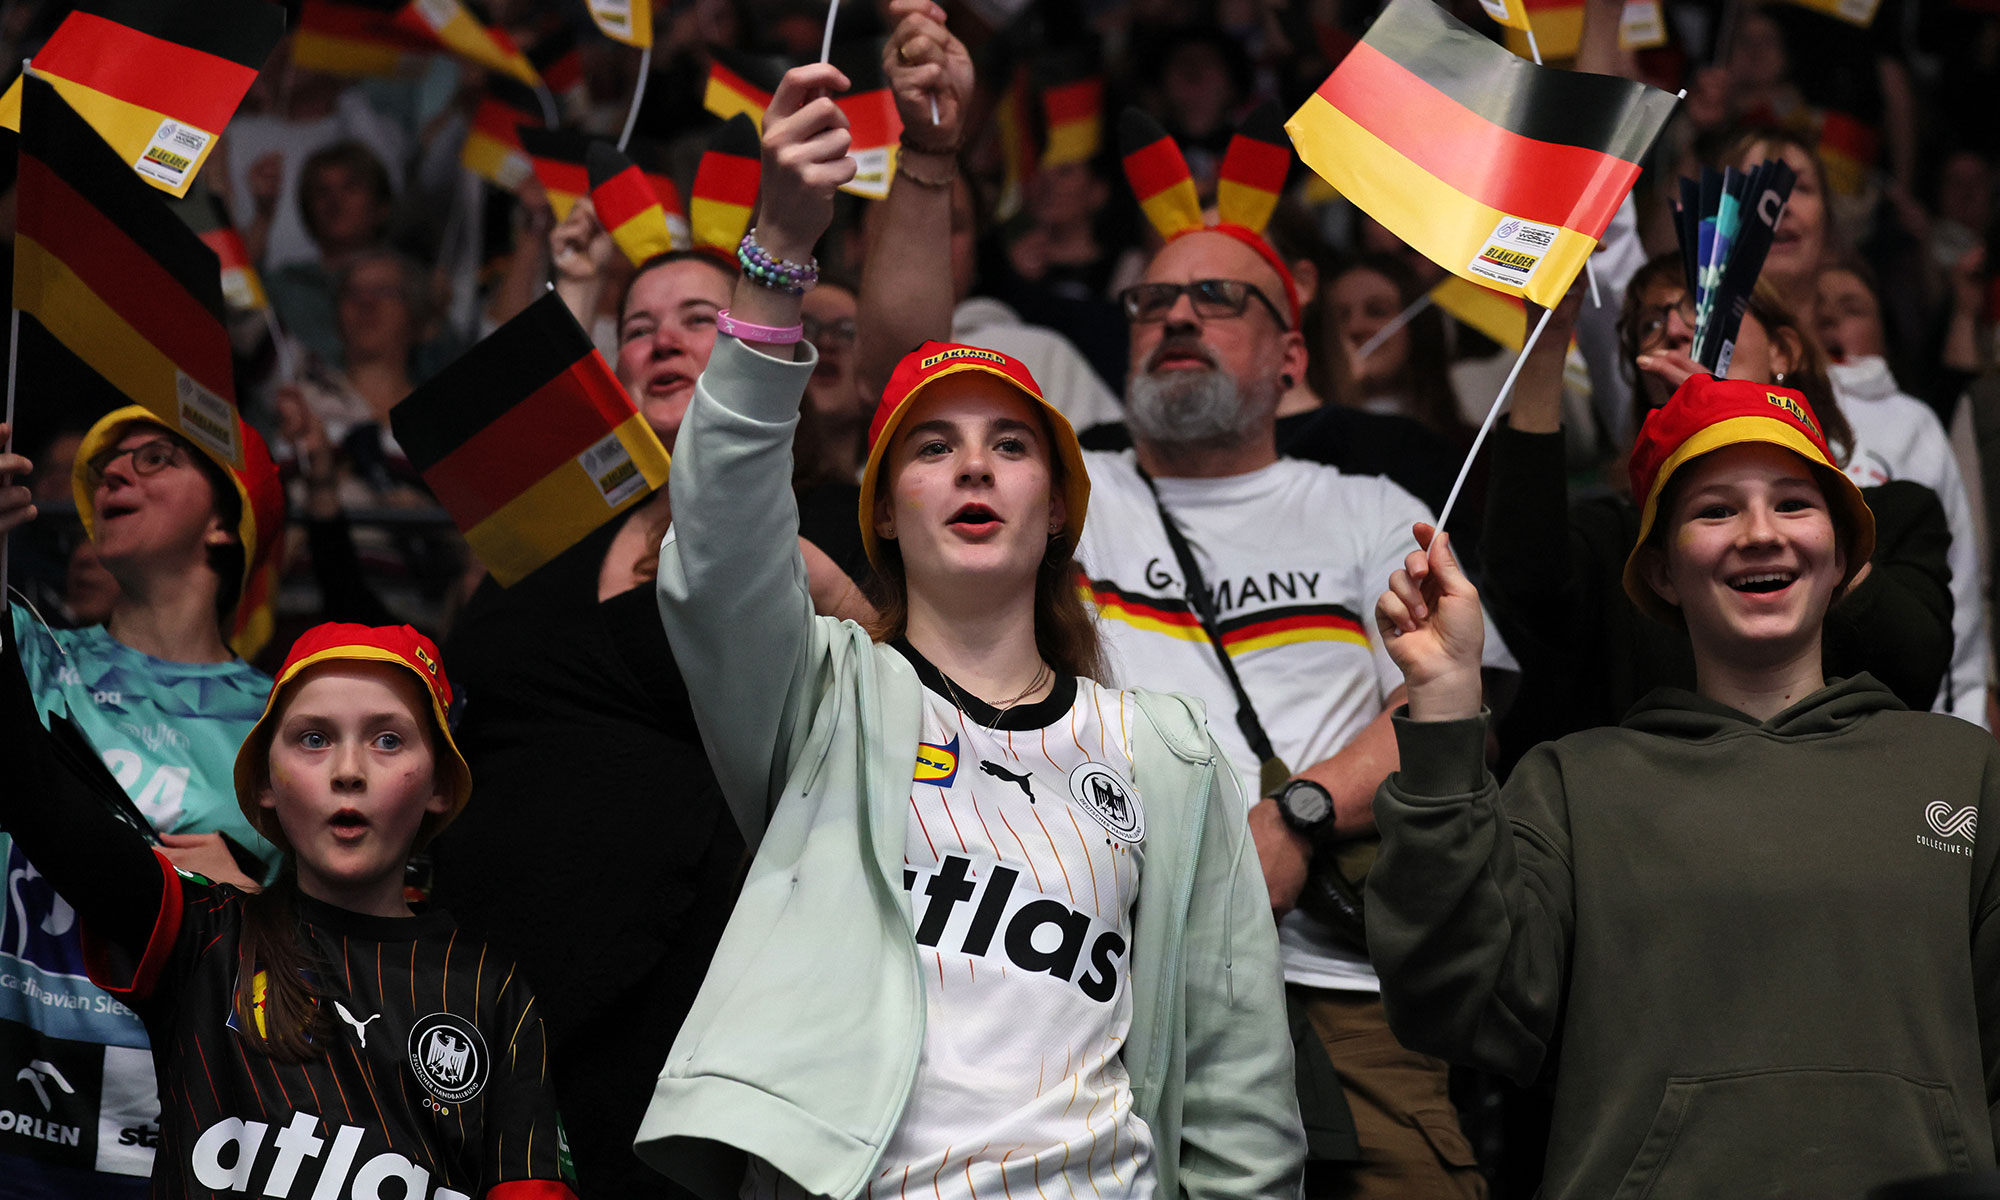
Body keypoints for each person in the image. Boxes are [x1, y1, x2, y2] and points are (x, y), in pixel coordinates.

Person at [852, 8, 1504, 1190]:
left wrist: (1296, 819)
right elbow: (907, 379)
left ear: (1292, 356)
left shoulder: (1365, 507)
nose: (1179, 320)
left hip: (1335, 982)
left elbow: (1446, 699)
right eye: (1153, 305)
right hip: (1093, 967)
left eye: (1218, 300)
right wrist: (931, 164)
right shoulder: (1055, 492)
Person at [637, 58, 1303, 1200]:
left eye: (1009, 445)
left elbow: (1238, 1081)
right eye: (931, 449)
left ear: (1056, 511)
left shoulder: (1167, 751)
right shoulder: (822, 699)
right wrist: (776, 258)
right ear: (884, 519)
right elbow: (713, 542)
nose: (973, 467)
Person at [1369, 373, 2000, 1198]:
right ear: (1661, 571)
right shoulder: (1572, 782)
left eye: (1794, 503)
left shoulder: (1964, 771)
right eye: (1715, 510)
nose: (1759, 533)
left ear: (1844, 557)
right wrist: (1448, 701)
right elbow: (1458, 1007)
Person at [429, 164, 868, 1197]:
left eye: (699, 317)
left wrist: (822, 586)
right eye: (636, 326)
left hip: (697, 1002)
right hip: (489, 995)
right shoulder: (548, 541)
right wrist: (570, 291)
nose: (663, 339)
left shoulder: (832, 518)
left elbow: (899, 688)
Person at [0, 616, 579, 1198]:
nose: (348, 772)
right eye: (314, 738)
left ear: (439, 784)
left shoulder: (492, 991)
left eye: (388, 740)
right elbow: (29, 789)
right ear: (264, 784)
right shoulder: (206, 939)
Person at [1480, 263, 1954, 762]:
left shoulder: (1898, 512)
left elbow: (1915, 666)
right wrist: (1548, 338)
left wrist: (1826, 520)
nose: (1677, 330)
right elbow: (1524, 579)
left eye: (1704, 311)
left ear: (1782, 350)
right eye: (1652, 325)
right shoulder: (1620, 537)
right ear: (1661, 572)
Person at [0, 407, 286, 1195]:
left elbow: (344, 964)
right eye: (106, 468)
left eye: (157, 458)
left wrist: (253, 909)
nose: (114, 475)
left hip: (184, 1134)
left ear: (228, 523)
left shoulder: (291, 724)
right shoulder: (27, 648)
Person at [1816, 259, 1991, 727]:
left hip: (1908, 699)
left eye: (1852, 308)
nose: (1830, 318)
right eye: (1815, 308)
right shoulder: (1771, 411)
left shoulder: (1914, 421)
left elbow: (1959, 582)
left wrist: (1967, 710)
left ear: (1885, 336)